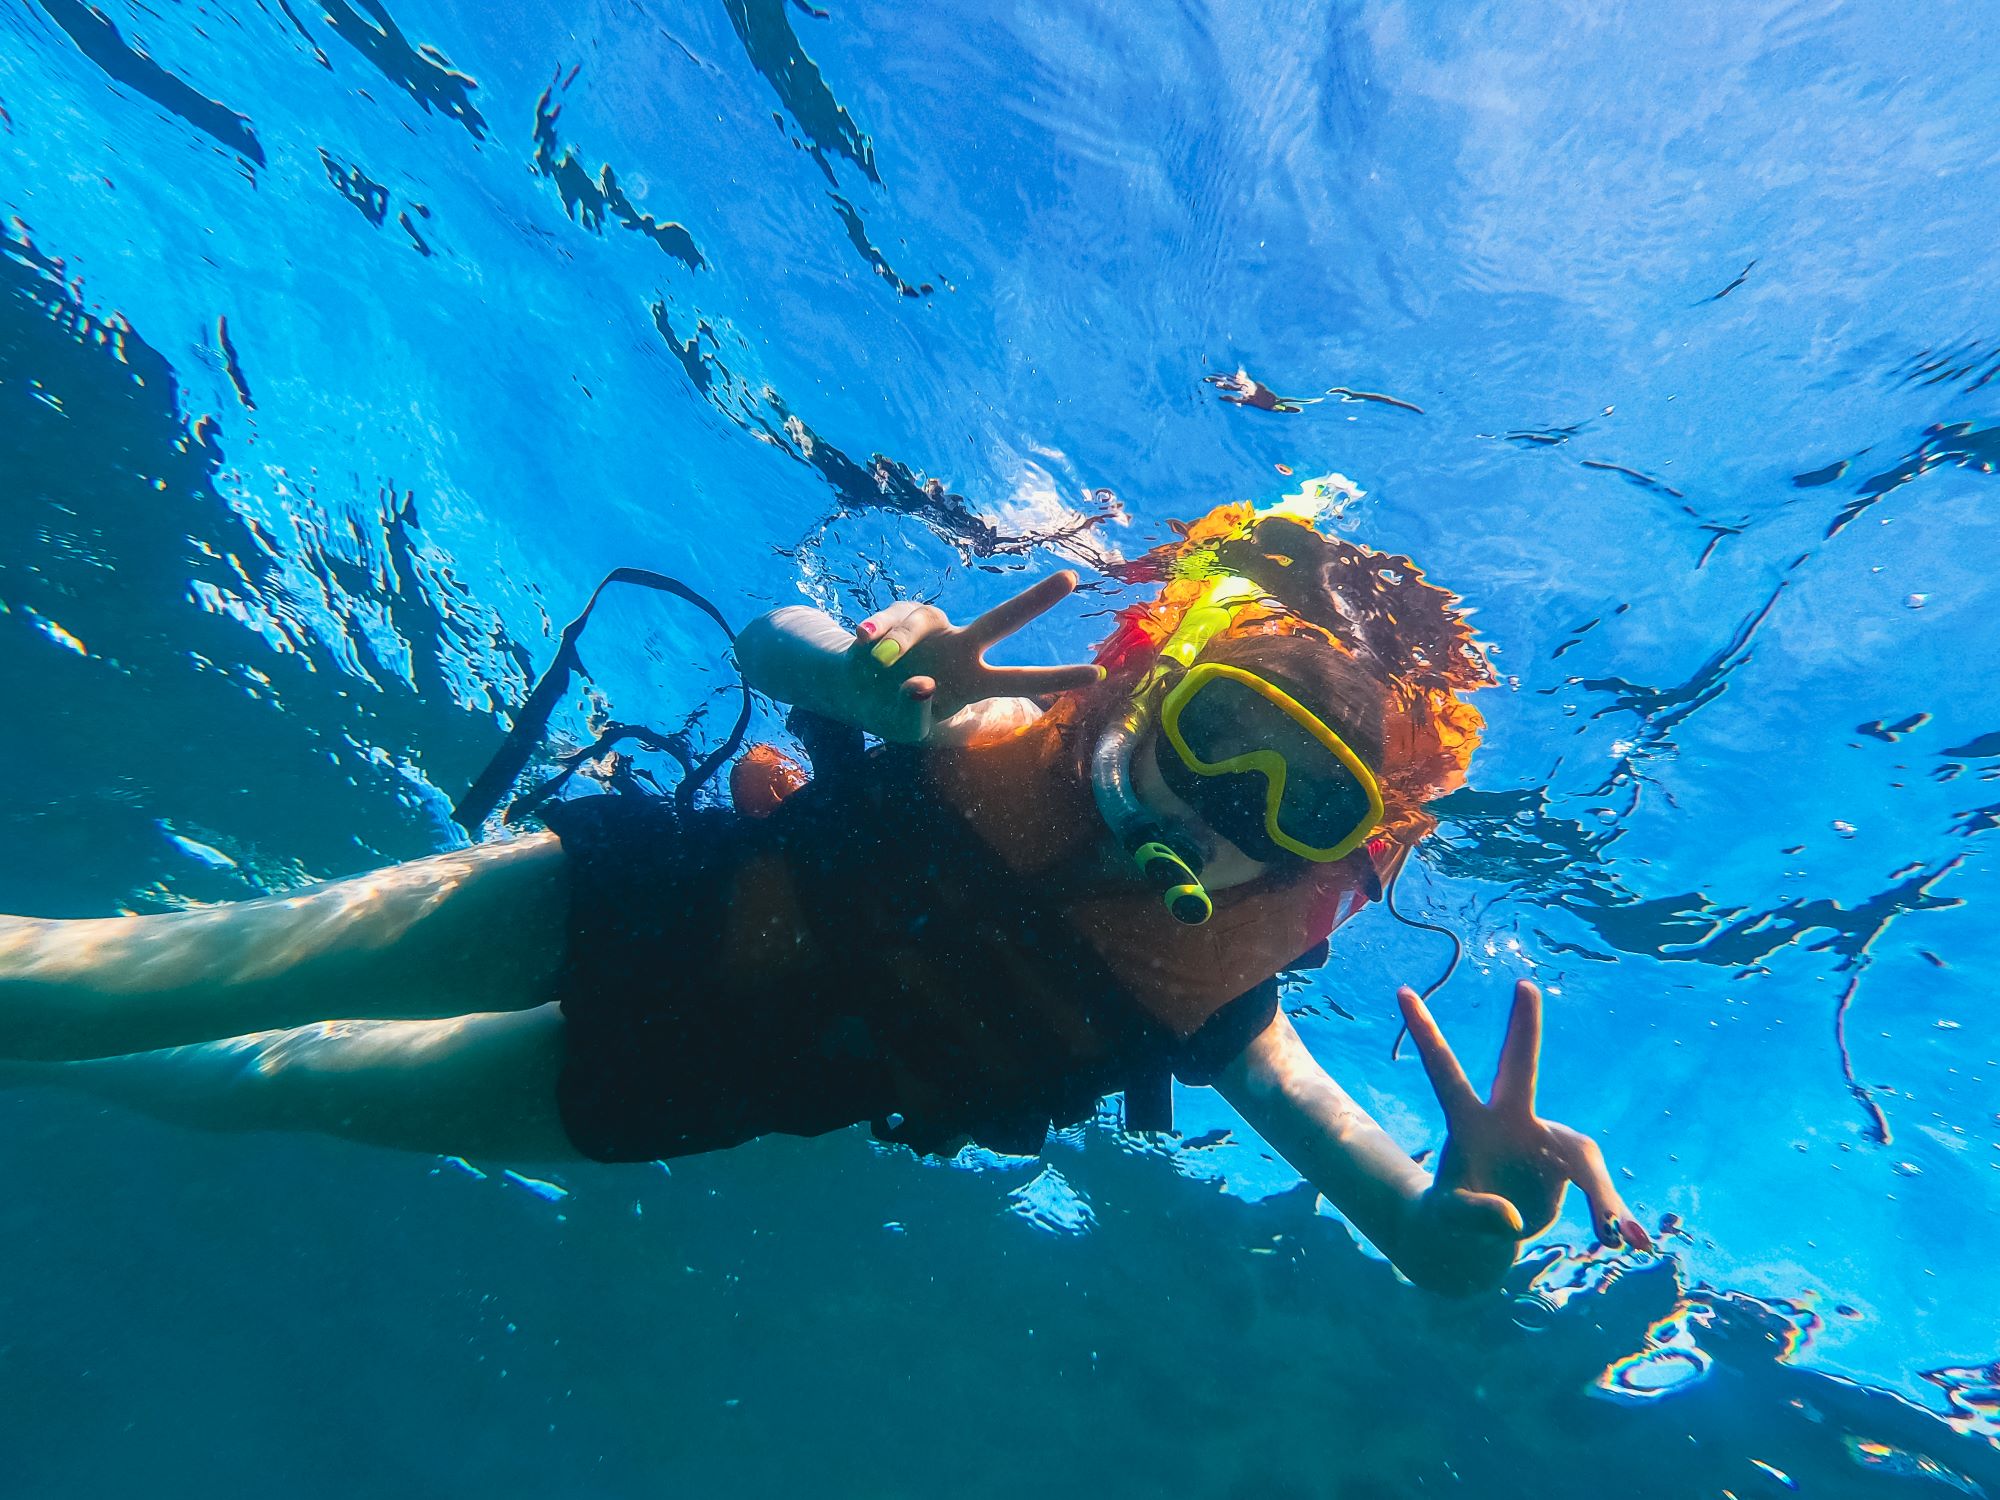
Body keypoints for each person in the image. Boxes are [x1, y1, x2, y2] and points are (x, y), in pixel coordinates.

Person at [0, 497, 1648, 1296]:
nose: (1230, 809)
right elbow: (767, 646)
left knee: (259, 1091)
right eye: (1227, 734)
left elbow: (1415, 1241)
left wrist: (1466, 1220)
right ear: (1151, 679)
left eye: (1300, 806)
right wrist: (867, 684)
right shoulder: (988, 716)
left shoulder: (1211, 996)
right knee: (133, 975)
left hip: (670, 1093)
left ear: (1330, 858)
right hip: (606, 911)